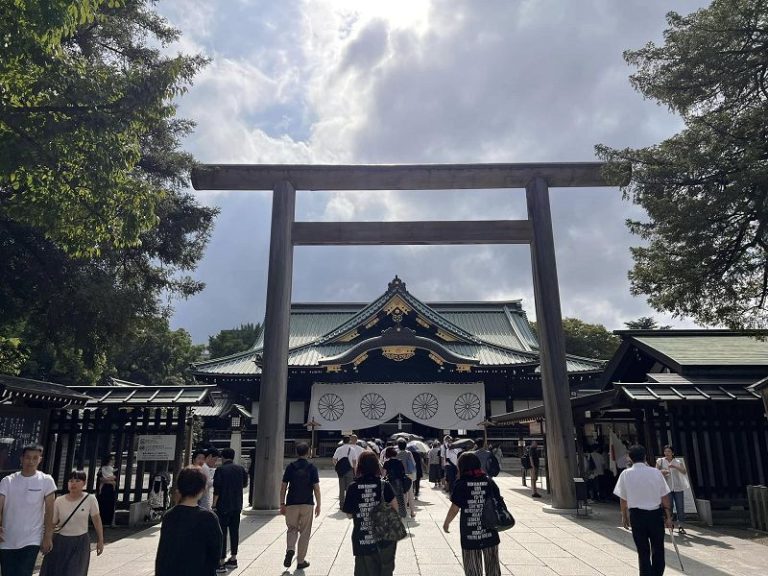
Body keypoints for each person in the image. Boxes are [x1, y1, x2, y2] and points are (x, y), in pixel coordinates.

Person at [614, 445, 673, 576]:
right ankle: (657, 573)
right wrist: (668, 516)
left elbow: (623, 499)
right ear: (645, 457)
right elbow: (664, 497)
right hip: (655, 514)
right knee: (658, 547)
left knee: (643, 549)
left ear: (630, 458)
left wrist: (624, 515)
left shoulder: (625, 474)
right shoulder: (656, 472)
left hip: (637, 515)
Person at [0, 444, 57, 576]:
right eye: (28, 457)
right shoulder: (7, 481)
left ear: (40, 459)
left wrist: (48, 536)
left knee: (24, 572)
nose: (31, 461)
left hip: (32, 538)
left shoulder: (46, 481)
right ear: (21, 459)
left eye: (35, 458)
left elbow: (50, 511)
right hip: (7, 538)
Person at [443, 452, 502, 576]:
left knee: (472, 568)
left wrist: (447, 523)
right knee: (493, 566)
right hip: (490, 531)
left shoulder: (461, 484)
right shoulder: (489, 481)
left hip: (470, 533)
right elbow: (498, 501)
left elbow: (455, 508)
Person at [156, 466, 222, 576]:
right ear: (202, 489)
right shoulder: (209, 518)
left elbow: (163, 553)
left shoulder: (169, 516)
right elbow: (215, 554)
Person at [342, 451, 398, 576]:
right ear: (376, 466)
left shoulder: (353, 487)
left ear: (360, 466)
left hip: (363, 538)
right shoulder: (384, 485)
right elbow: (395, 508)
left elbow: (349, 515)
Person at [40, 470, 104, 576]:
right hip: (60, 541)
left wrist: (100, 540)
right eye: (71, 481)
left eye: (77, 481)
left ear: (84, 483)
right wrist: (47, 539)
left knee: (76, 571)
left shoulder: (90, 499)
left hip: (81, 541)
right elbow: (52, 523)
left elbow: (96, 520)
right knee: (57, 571)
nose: (73, 484)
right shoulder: (59, 501)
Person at [280, 442, 320, 571]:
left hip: (291, 502)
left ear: (297, 453)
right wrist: (319, 504)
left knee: (292, 529)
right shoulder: (312, 467)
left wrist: (282, 504)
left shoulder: (290, 467)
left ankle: (290, 549)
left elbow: (283, 486)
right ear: (308, 452)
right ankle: (301, 561)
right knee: (305, 532)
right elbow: (316, 488)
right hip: (307, 503)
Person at [213, 447, 248, 572]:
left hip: (223, 505)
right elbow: (245, 484)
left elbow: (217, 489)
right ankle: (233, 558)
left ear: (223, 457)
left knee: (222, 532)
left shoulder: (220, 470)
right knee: (234, 531)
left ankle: (221, 561)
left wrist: (214, 504)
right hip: (237, 505)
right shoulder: (241, 469)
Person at [656, 445, 689, 535]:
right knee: (668, 507)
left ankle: (681, 526)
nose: (667, 453)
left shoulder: (677, 461)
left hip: (678, 487)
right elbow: (655, 472)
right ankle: (670, 524)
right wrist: (663, 472)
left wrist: (675, 466)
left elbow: (684, 471)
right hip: (667, 488)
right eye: (665, 451)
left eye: (669, 451)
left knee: (680, 507)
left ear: (673, 453)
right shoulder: (660, 461)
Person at [382, 447, 409, 518]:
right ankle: (403, 514)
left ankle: (393, 514)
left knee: (392, 498)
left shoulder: (387, 463)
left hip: (390, 482)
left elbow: (383, 475)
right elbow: (403, 472)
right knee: (400, 498)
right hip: (399, 482)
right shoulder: (400, 461)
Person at [395, 440, 417, 517]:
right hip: (409, 475)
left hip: (400, 476)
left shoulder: (397, 454)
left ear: (398, 446)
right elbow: (414, 463)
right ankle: (412, 512)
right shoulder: (409, 453)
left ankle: (404, 512)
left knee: (403, 494)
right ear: (405, 445)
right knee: (410, 493)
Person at [333, 436, 356, 509]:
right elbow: (354, 461)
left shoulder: (338, 449)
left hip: (341, 471)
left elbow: (334, 459)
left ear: (343, 441)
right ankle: (349, 504)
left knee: (341, 488)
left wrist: (338, 466)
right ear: (349, 441)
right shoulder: (352, 449)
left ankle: (341, 505)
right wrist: (355, 471)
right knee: (349, 488)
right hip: (349, 470)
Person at [96, 455, 118, 526]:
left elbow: (115, 478)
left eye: (114, 459)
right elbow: (101, 479)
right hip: (104, 489)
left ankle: (109, 521)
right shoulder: (102, 469)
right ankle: (102, 521)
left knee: (110, 505)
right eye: (112, 459)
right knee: (102, 504)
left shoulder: (113, 469)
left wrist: (111, 481)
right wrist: (110, 481)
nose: (113, 461)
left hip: (111, 489)